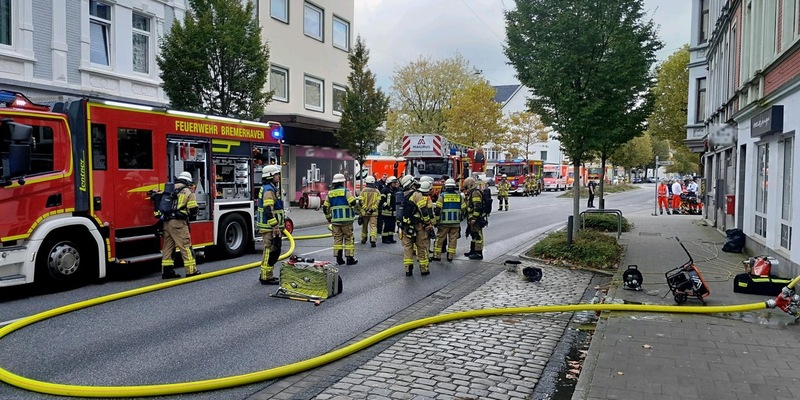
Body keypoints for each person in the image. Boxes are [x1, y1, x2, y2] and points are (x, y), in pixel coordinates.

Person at [160, 171, 200, 279]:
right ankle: (191, 271)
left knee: (168, 248)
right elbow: (193, 209)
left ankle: (167, 272)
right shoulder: (188, 191)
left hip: (166, 222)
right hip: (178, 223)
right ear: (188, 181)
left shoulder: (169, 189)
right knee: (185, 246)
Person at [255, 164, 285, 284]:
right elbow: (268, 209)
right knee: (269, 250)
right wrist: (275, 226)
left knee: (273, 250)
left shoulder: (270, 188)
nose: (278, 176)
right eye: (277, 174)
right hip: (269, 227)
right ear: (271, 176)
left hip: (270, 226)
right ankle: (265, 277)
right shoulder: (268, 190)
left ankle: (268, 274)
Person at [323, 173, 361, 265]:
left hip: (335, 221)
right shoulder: (345, 191)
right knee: (348, 239)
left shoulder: (330, 193)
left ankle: (339, 259)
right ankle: (349, 258)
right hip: (346, 221)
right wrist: (358, 210)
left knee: (337, 239)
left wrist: (329, 218)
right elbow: (352, 202)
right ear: (342, 182)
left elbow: (325, 208)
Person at [399, 175, 433, 276]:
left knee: (408, 248)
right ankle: (424, 269)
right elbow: (423, 210)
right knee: (421, 247)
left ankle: (408, 269)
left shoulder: (401, 195)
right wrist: (427, 223)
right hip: (418, 226)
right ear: (412, 183)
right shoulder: (417, 194)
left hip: (405, 225)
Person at [432, 179, 464, 262]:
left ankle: (437, 256)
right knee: (453, 239)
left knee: (440, 239)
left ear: (445, 187)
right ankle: (450, 256)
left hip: (444, 222)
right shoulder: (459, 196)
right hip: (455, 222)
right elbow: (464, 208)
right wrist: (460, 218)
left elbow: (438, 209)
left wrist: (436, 220)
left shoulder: (442, 196)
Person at [463, 177, 486, 260]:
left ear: (470, 185)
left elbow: (478, 206)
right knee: (473, 234)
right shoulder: (471, 193)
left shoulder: (475, 193)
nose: (465, 189)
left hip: (476, 219)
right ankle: (473, 251)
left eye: (466, 187)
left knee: (477, 235)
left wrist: (474, 218)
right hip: (471, 218)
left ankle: (479, 253)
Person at [359, 175, 381, 247]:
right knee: (373, 227)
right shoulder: (377, 191)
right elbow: (378, 202)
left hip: (365, 213)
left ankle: (364, 239)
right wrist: (371, 210)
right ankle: (373, 240)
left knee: (364, 227)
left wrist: (366, 209)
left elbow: (360, 201)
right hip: (373, 213)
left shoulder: (363, 191)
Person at [379, 176, 399, 243]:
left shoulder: (396, 190)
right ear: (390, 183)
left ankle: (391, 238)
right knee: (387, 225)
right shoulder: (385, 190)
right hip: (386, 211)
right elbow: (382, 200)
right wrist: (387, 206)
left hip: (394, 212)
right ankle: (385, 239)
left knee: (392, 225)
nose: (395, 184)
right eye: (394, 183)